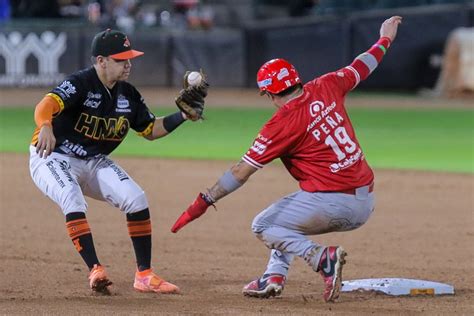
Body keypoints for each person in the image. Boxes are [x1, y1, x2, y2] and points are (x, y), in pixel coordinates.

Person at [171, 16, 402, 302]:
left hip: (334, 203)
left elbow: (241, 172)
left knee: (264, 225)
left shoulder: (281, 124)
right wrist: (384, 39)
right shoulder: (327, 85)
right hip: (365, 199)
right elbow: (362, 65)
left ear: (268, 92)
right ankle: (273, 277)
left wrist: (204, 200)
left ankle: (320, 258)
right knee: (284, 212)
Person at [29, 29, 207, 295]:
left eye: (129, 58)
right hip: (52, 156)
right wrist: (45, 125)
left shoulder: (128, 95)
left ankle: (144, 275)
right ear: (101, 61)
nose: (128, 64)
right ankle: (95, 270)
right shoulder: (81, 83)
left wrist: (182, 116)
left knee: (136, 199)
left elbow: (150, 130)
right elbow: (46, 104)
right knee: (71, 197)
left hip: (93, 160)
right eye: (121, 59)